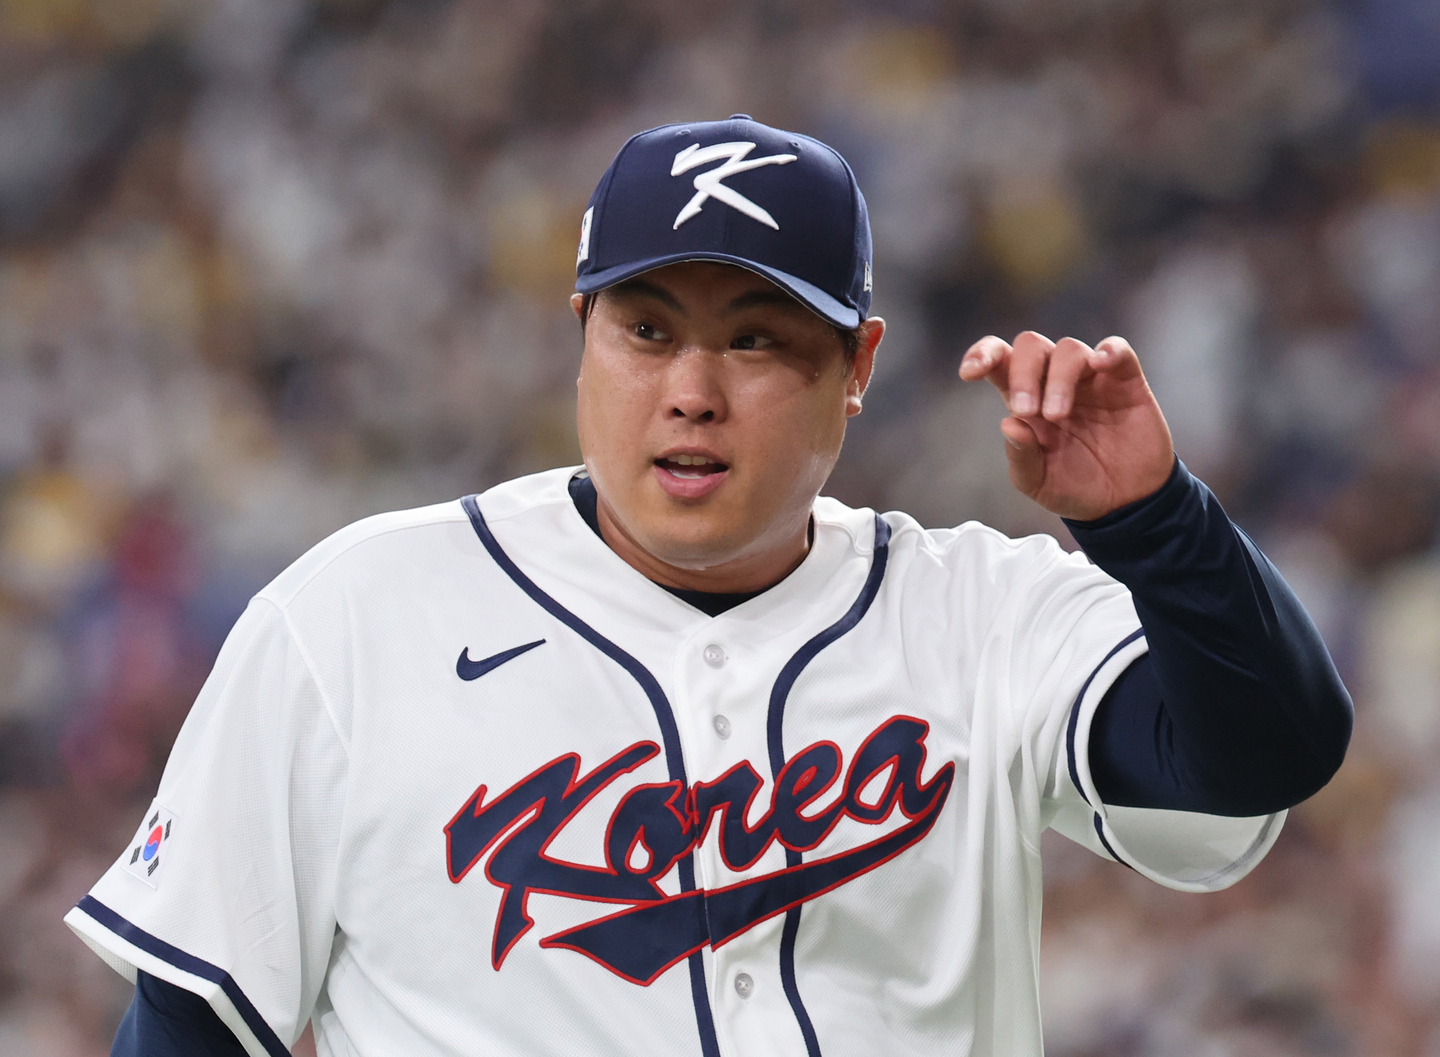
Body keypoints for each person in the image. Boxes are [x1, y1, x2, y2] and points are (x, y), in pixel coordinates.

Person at [67, 115, 1350, 1057]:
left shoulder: (983, 613)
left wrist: (1154, 521)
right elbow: (184, 1025)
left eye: (754, 336)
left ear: (858, 364)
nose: (692, 387)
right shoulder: (352, 620)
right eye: (647, 329)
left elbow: (1263, 754)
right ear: (579, 336)